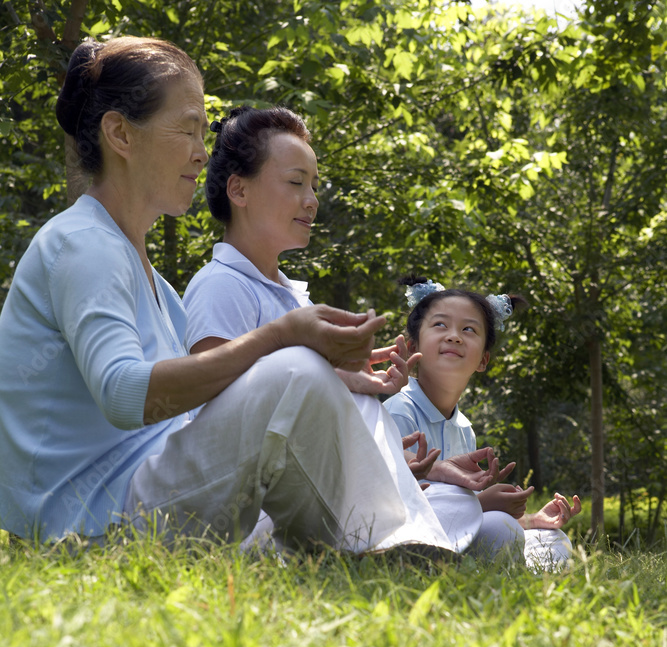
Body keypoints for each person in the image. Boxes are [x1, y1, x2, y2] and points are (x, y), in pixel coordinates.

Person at [0, 37, 447, 554]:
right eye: (186, 129)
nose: (201, 152)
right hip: (92, 520)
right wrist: (281, 336)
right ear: (120, 133)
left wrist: (338, 380)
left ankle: (395, 544)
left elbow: (197, 413)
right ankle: (381, 549)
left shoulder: (154, 283)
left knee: (308, 374)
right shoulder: (80, 243)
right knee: (295, 369)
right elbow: (124, 395)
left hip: (139, 497)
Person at [182, 105, 497, 552]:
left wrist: (358, 380)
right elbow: (216, 397)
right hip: (249, 491)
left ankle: (389, 534)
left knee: (461, 502)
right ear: (239, 189)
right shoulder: (220, 285)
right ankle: (385, 538)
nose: (311, 200)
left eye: (314, 186)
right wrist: (336, 380)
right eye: (295, 183)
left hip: (310, 479)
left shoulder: (295, 297)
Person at [384, 277, 581, 568]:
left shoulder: (464, 429)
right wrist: (482, 504)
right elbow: (389, 505)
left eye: (469, 329)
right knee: (502, 528)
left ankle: (515, 563)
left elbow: (473, 514)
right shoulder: (399, 411)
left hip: (457, 536)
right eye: (440, 325)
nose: (454, 336)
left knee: (555, 540)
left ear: (483, 360)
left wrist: (533, 520)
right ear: (413, 346)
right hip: (406, 539)